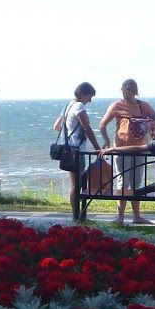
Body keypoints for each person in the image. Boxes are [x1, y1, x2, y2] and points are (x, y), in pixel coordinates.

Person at [98, 79, 155, 224]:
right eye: (124, 90)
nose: (125, 93)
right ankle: (120, 216)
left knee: (136, 182)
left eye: (128, 90)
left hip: (140, 149)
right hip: (121, 149)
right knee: (122, 181)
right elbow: (102, 125)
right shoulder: (116, 105)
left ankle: (136, 216)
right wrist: (107, 142)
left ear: (134, 91)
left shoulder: (143, 105)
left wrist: (145, 123)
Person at [54, 82, 105, 220]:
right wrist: (97, 148)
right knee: (77, 185)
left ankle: (77, 214)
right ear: (83, 93)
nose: (90, 100)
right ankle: (77, 215)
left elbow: (56, 126)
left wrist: (70, 129)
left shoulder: (67, 105)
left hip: (68, 149)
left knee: (76, 183)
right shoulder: (79, 106)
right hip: (76, 150)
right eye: (89, 96)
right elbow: (87, 128)